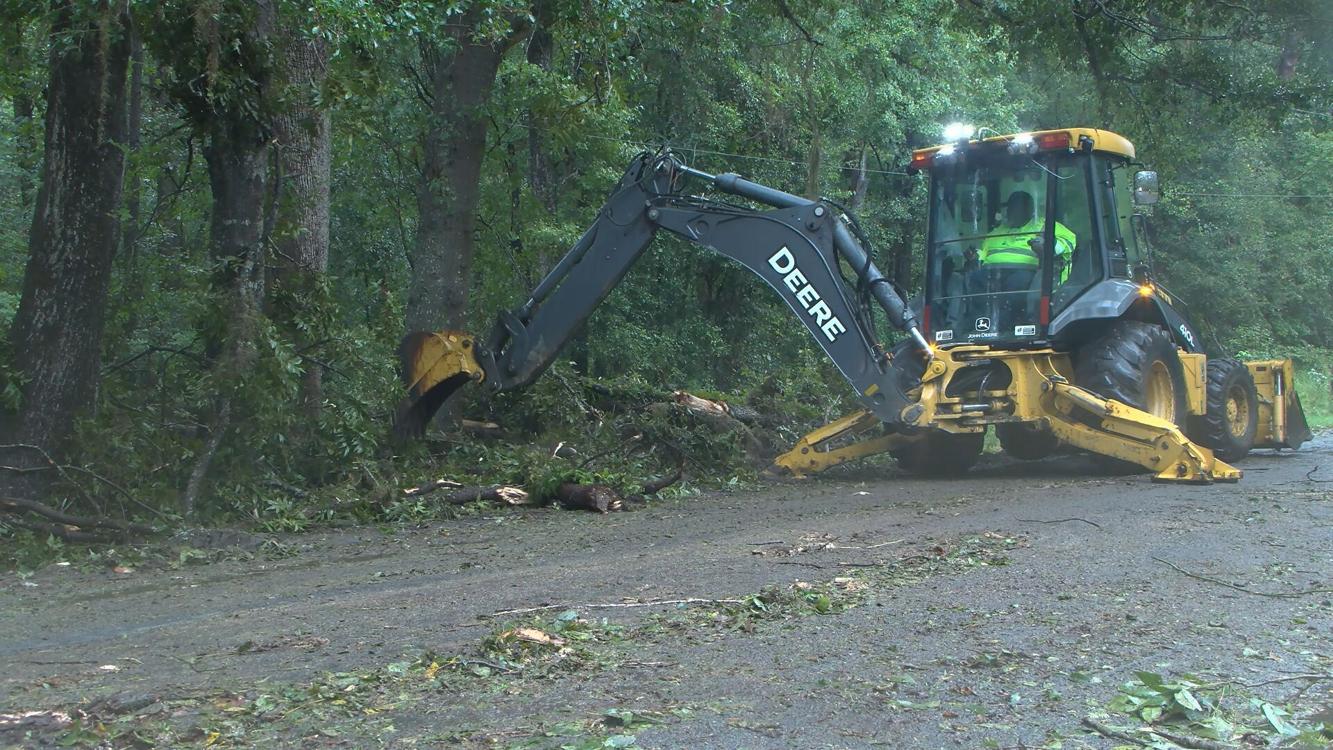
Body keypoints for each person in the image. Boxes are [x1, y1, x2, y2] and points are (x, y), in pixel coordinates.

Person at [974, 190, 1076, 289]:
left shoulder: (1046, 225)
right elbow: (982, 254)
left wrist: (1048, 244)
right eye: (1011, 207)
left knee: (1017, 282)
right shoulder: (996, 232)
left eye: (1019, 207)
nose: (1013, 211)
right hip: (991, 273)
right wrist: (974, 256)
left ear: (1030, 209)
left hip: (1028, 272)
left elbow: (1067, 244)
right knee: (973, 279)